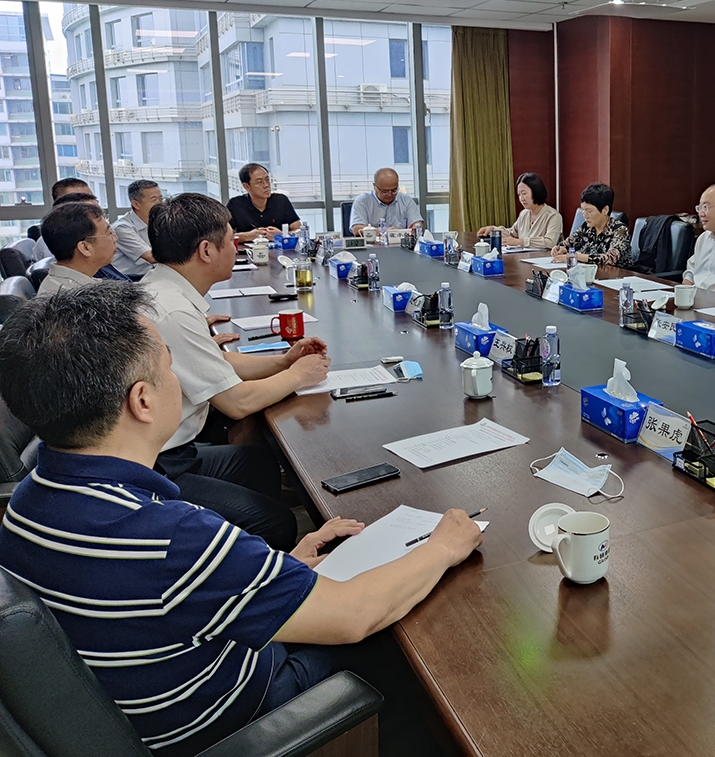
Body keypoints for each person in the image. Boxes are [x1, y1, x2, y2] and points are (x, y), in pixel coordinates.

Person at [0, 283, 483, 757]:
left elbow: (159, 599)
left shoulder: (27, 500)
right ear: (142, 401)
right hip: (246, 720)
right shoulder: (173, 537)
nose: (180, 379)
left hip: (155, 697)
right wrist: (442, 547)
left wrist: (277, 569)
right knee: (410, 642)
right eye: (169, 366)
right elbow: (356, 615)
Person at [142, 193, 332, 549]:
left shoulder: (165, 289)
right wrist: (299, 376)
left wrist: (284, 361)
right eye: (232, 240)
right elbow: (237, 403)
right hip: (156, 467)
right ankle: (255, 559)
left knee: (258, 463)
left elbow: (217, 364)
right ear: (206, 250)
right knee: (277, 523)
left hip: (168, 451)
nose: (237, 246)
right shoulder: (172, 312)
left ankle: (244, 551)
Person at [36, 200, 118, 295]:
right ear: (85, 248)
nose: (116, 238)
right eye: (109, 233)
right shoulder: (72, 297)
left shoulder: (76, 282)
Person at [551, 183, 632, 268]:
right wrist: (560, 249)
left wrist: (577, 257)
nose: (585, 216)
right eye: (583, 211)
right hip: (590, 272)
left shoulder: (620, 230)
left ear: (605, 210)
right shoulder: (587, 227)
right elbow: (569, 243)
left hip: (618, 274)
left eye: (589, 211)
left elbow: (610, 259)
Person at [477, 172, 563, 248]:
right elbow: (512, 233)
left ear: (536, 192)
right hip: (524, 258)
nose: (521, 198)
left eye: (524, 193)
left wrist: (521, 242)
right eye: (519, 194)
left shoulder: (553, 216)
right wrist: (493, 230)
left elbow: (550, 242)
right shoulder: (524, 214)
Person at [227, 163, 301, 242]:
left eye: (267, 180)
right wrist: (249, 236)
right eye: (259, 182)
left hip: (278, 249)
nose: (266, 185)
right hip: (247, 250)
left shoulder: (281, 201)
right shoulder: (235, 205)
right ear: (247, 186)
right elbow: (224, 236)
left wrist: (281, 235)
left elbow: (299, 230)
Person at [31, 177, 92, 260]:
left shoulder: (89, 232)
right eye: (78, 201)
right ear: (60, 205)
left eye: (90, 198)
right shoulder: (53, 242)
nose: (90, 205)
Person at [111, 178, 162, 278]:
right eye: (154, 200)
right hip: (130, 279)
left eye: (161, 199)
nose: (160, 204)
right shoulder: (121, 228)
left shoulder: (159, 221)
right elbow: (151, 257)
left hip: (153, 274)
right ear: (136, 204)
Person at [350, 168, 424, 235]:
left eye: (394, 190)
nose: (389, 194)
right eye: (385, 191)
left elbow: (417, 223)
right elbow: (356, 229)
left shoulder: (406, 200)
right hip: (372, 244)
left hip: (401, 243)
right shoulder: (362, 201)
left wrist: (416, 227)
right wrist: (383, 231)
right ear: (374, 186)